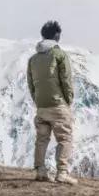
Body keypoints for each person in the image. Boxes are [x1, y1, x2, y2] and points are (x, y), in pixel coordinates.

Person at [27, 20, 77, 184]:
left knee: (42, 139)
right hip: (58, 104)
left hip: (41, 106)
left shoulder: (33, 59)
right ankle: (62, 172)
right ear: (57, 36)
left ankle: (40, 171)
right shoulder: (59, 55)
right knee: (64, 138)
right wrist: (68, 101)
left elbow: (31, 83)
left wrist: (38, 101)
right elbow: (66, 80)